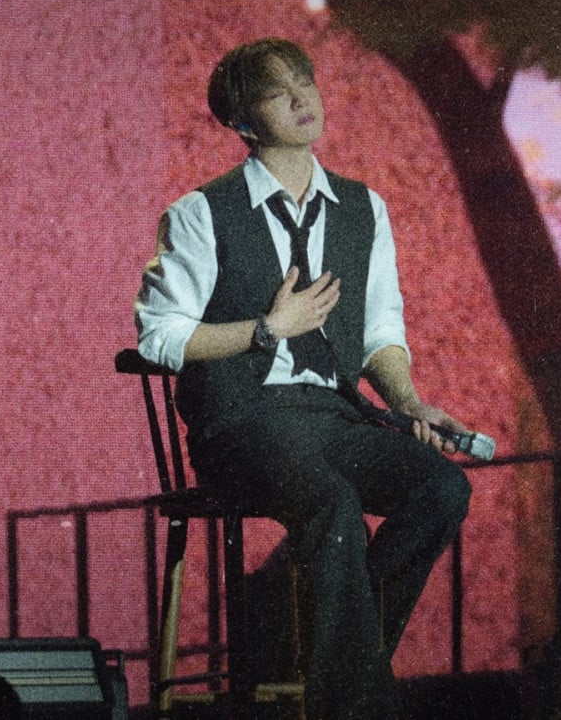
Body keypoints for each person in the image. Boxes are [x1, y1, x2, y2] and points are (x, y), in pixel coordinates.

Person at [134, 37, 472, 720]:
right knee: (332, 504)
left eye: (305, 82)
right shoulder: (201, 212)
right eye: (276, 91)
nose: (301, 99)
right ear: (242, 120)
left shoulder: (363, 208)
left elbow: (379, 330)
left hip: (331, 417)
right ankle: (354, 703)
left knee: (441, 488)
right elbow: (158, 336)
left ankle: (319, 658)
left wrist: (410, 403)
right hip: (239, 420)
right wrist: (265, 330)